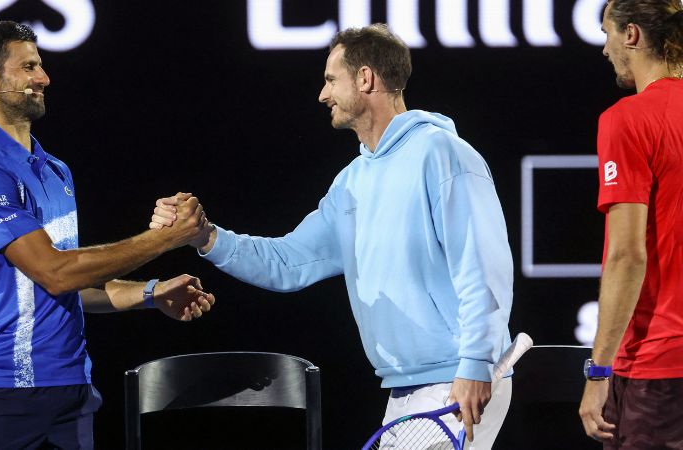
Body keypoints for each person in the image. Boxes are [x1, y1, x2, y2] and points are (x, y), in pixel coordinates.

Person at [152, 24, 514, 449]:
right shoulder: (352, 183)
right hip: (405, 390)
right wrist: (206, 237)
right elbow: (288, 263)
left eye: (330, 80)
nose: (322, 95)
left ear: (365, 79)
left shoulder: (443, 153)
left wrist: (474, 364)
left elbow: (484, 268)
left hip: (457, 379)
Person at [0, 21, 215, 449]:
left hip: (72, 394)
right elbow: (56, 272)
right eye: (29, 67)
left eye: (41, 66)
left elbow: (68, 287)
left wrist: (150, 292)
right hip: (2, 397)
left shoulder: (57, 172)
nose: (44, 78)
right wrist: (165, 238)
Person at [578, 1, 683, 447]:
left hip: (656, 370)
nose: (604, 49)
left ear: (632, 35)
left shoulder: (626, 119)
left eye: (607, 34)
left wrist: (599, 369)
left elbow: (626, 254)